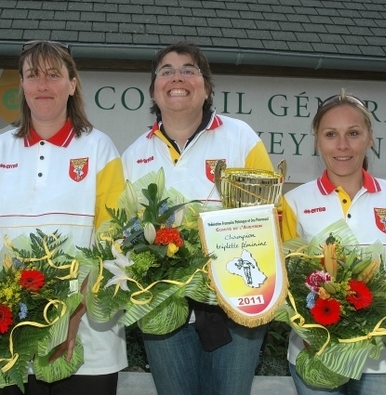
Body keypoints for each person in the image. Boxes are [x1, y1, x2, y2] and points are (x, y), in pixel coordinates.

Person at [0, 40, 127, 394]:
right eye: (32, 75)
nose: (42, 84)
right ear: (21, 87)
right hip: (11, 332)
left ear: (72, 85)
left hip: (87, 338)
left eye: (53, 75)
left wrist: (72, 315)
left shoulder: (100, 148)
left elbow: (113, 243)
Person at [121, 41, 274, 395]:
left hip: (234, 308)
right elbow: (122, 234)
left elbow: (269, 218)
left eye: (189, 69)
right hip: (163, 311)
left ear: (206, 87)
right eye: (166, 71)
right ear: (154, 89)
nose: (178, 77)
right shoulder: (133, 155)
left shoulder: (241, 138)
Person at [280, 89, 386, 395]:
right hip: (316, 354)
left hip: (382, 361)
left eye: (353, 133)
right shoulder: (293, 202)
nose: (342, 145)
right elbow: (286, 282)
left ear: (370, 138)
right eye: (331, 134)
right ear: (317, 140)